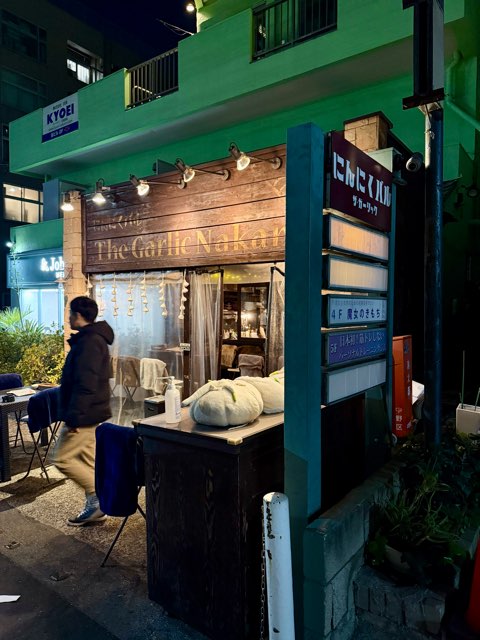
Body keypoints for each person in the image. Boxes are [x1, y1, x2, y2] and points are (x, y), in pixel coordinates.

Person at [54, 296, 114, 526]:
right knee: (88, 461)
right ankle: (97, 505)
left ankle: (97, 500)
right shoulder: (92, 339)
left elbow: (86, 384)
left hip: (85, 414)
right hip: (91, 412)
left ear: (78, 315)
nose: (68, 317)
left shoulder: (90, 342)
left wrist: (74, 417)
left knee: (62, 459)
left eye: (70, 313)